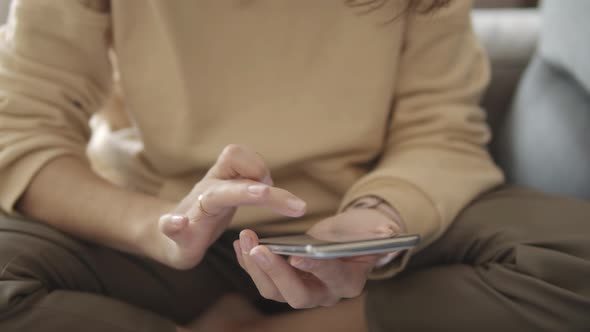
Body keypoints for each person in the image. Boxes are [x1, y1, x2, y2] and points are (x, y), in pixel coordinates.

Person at [0, 0, 588, 331]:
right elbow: (25, 131)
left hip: (366, 228)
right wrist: (160, 229)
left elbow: (440, 128)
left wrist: (377, 219)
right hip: (150, 230)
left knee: (575, 257)